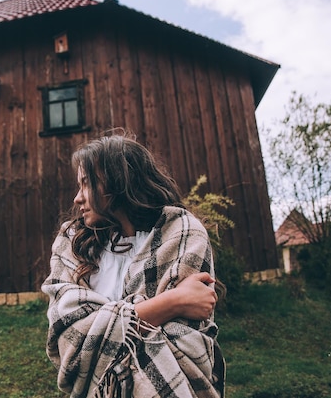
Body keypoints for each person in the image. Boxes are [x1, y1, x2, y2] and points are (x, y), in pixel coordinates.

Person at [42, 131, 225, 398]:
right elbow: (70, 336)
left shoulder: (181, 233)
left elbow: (184, 337)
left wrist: (104, 326)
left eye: (85, 184)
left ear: (116, 181)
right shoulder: (73, 245)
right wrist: (170, 303)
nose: (77, 198)